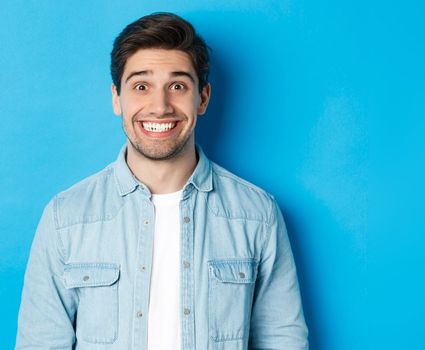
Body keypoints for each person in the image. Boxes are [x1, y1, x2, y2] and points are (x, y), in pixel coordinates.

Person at [16, 12, 308, 350]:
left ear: (202, 97)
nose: (160, 106)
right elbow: (40, 343)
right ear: (116, 98)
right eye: (141, 86)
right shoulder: (65, 218)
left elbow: (283, 340)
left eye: (178, 86)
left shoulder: (257, 214)